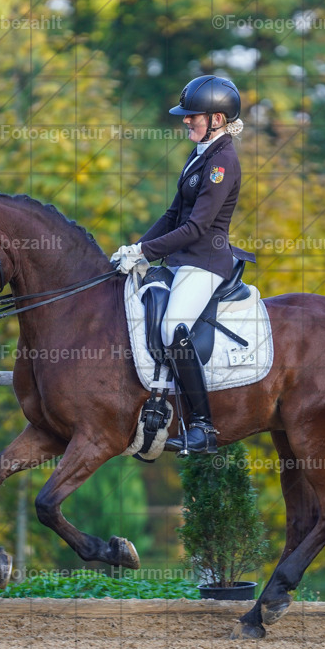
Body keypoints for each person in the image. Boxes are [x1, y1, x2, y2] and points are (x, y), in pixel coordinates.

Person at [112, 75, 254, 454]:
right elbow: (174, 213)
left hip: (206, 261)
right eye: (186, 116)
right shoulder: (201, 153)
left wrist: (145, 254)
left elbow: (196, 227)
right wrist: (134, 247)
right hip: (182, 258)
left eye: (194, 116)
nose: (186, 121)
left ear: (218, 119)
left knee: (175, 327)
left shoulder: (222, 160)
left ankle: (203, 428)